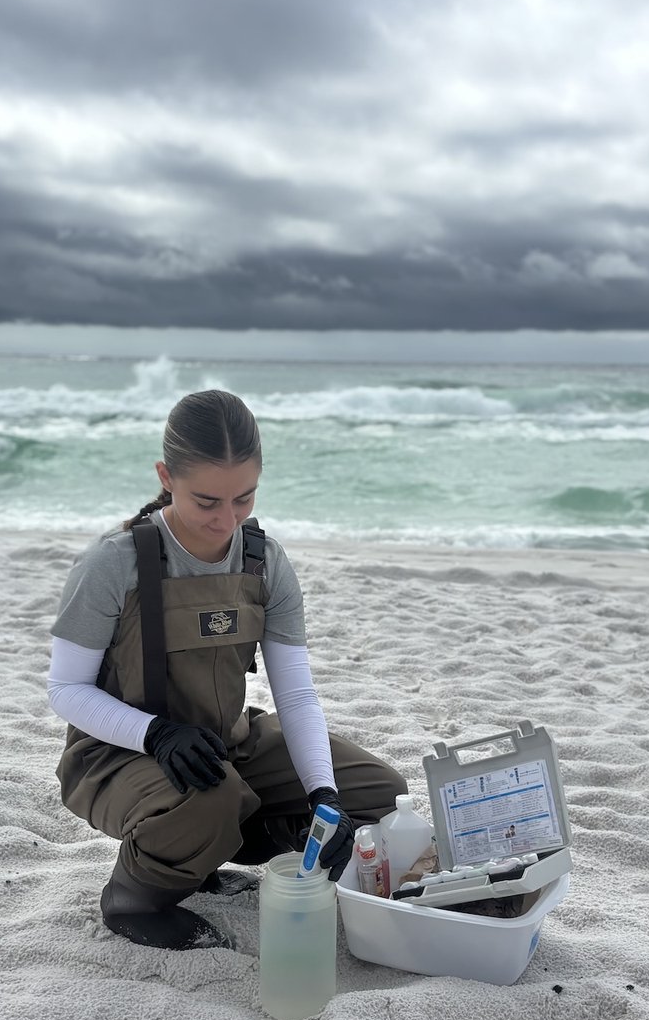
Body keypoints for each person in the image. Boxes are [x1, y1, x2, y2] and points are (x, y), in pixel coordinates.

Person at [47, 389, 407, 950]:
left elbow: (297, 694)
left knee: (378, 793)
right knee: (210, 801)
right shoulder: (112, 564)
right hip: (117, 752)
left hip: (226, 743)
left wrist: (322, 792)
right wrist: (156, 733)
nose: (227, 519)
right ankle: (135, 898)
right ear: (166, 476)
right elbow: (66, 689)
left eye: (244, 498)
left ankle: (209, 849)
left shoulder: (266, 562)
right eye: (207, 501)